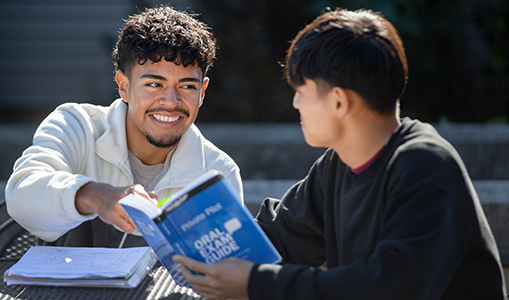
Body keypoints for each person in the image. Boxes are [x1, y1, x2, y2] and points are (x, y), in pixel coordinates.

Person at [174, 8, 507, 299]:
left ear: (338, 101)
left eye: (301, 92)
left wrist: (255, 284)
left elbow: (387, 288)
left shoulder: (425, 167)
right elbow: (280, 236)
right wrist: (194, 239)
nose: (295, 104)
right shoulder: (338, 163)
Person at [5, 6, 243, 249]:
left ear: (202, 92)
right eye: (154, 84)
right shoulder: (76, 125)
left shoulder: (217, 173)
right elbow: (21, 195)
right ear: (123, 86)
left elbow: (228, 268)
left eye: (187, 87)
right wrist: (92, 195)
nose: (171, 102)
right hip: (64, 288)